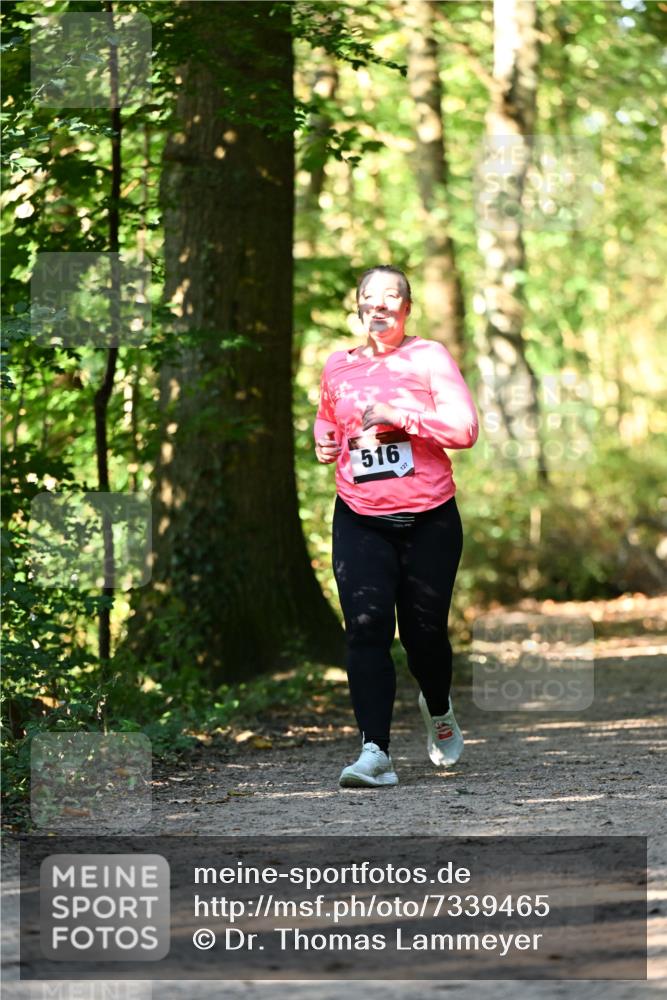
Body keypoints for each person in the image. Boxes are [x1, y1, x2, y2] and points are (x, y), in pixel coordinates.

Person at [313, 265, 479, 788]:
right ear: (359, 307)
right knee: (366, 627)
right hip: (360, 515)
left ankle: (438, 705)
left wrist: (400, 415)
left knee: (424, 636)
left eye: (391, 296)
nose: (379, 304)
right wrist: (322, 439)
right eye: (370, 296)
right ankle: (374, 752)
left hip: (429, 517)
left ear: (407, 308)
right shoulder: (338, 366)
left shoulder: (428, 357)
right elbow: (328, 417)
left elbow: (464, 430)